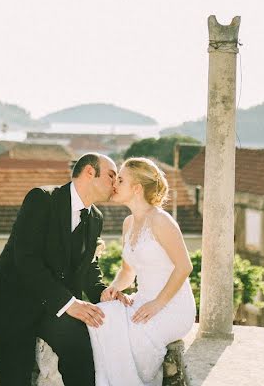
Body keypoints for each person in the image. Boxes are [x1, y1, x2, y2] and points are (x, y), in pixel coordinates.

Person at [0, 153, 117, 386]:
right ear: (90, 172)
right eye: (111, 176)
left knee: (81, 353)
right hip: (13, 306)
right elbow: (26, 259)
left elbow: (88, 265)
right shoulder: (42, 199)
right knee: (15, 381)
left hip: (52, 309)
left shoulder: (96, 218)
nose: (115, 184)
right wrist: (70, 303)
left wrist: (103, 293)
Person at [88, 157, 197, 386]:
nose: (114, 184)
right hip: (141, 302)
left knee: (134, 340)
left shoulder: (161, 220)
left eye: (120, 179)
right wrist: (113, 288)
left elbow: (184, 266)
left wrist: (158, 304)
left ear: (136, 188)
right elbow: (128, 271)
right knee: (100, 318)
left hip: (172, 307)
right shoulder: (128, 223)